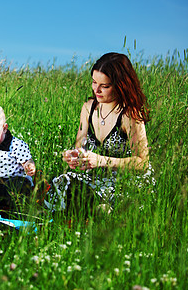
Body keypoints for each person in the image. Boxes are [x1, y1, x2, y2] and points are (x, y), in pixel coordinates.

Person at [44, 52, 155, 214]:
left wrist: (101, 160)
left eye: (105, 86)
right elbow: (79, 147)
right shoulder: (88, 108)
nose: (97, 89)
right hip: (97, 177)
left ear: (120, 85)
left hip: (125, 181)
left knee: (106, 206)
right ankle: (90, 209)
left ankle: (97, 210)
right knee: (62, 182)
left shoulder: (130, 115)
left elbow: (142, 163)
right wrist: (74, 157)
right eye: (94, 82)